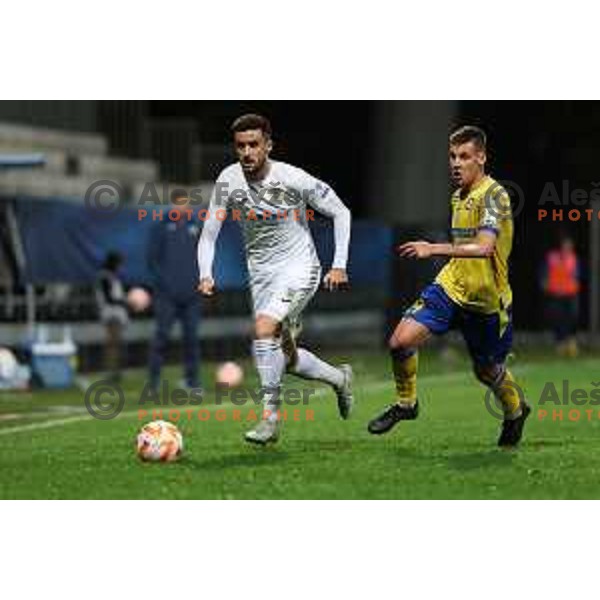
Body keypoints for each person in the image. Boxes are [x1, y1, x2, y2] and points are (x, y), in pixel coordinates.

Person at [368, 125, 531, 448]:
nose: (456, 163)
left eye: (465, 156)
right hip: (451, 287)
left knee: (486, 371)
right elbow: (467, 250)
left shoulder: (495, 196)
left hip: (487, 302)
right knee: (400, 342)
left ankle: (515, 412)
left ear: (482, 158)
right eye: (452, 157)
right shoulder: (458, 196)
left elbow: (484, 247)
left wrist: (433, 248)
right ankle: (406, 404)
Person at [197, 113, 353, 445]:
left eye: (254, 144)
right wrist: (205, 274)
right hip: (263, 278)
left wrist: (338, 265)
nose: (247, 152)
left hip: (300, 269)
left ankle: (269, 420)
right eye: (241, 146)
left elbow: (341, 211)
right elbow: (209, 232)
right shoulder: (228, 179)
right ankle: (340, 379)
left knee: (264, 330)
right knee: (286, 355)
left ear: (268, 145)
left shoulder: (292, 178)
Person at [147, 192, 202, 392]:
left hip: (192, 296)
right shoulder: (161, 226)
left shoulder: (196, 226)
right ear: (172, 205)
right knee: (161, 338)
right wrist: (165, 284)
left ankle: (192, 382)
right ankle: (153, 383)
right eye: (179, 204)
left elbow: (204, 257)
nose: (183, 208)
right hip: (167, 296)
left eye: (186, 204)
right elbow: (152, 260)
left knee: (192, 339)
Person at [541, 235, 581, 357]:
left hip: (570, 294)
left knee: (572, 318)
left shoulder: (573, 258)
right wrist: (544, 284)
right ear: (561, 246)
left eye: (569, 245)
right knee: (558, 319)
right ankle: (560, 343)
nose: (567, 247)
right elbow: (544, 273)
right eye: (565, 245)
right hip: (556, 294)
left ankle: (571, 342)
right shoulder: (552, 257)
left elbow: (577, 275)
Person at [96, 251, 128, 382]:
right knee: (112, 346)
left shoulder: (112, 277)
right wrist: (126, 301)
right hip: (111, 315)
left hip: (117, 315)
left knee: (116, 345)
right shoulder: (105, 277)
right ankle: (111, 372)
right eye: (119, 264)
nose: (120, 267)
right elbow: (109, 298)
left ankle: (115, 372)